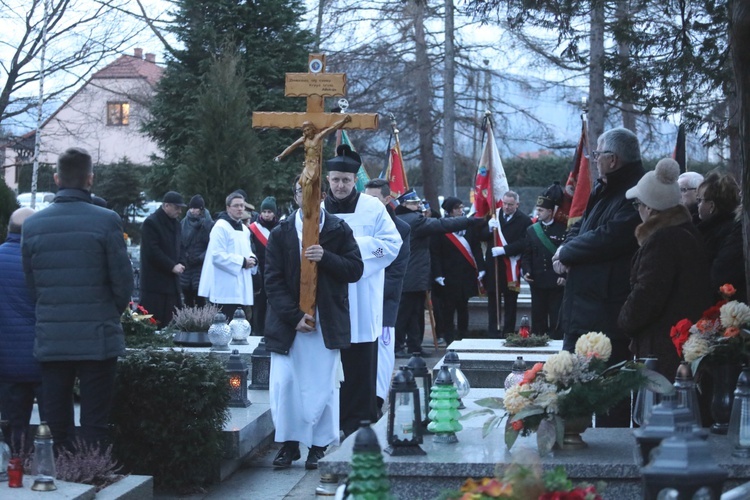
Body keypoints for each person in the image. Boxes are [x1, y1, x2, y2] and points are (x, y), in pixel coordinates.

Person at [21, 147, 133, 450]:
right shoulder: (107, 220)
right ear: (90, 179)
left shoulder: (32, 225)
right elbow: (123, 283)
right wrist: (109, 312)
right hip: (98, 336)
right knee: (95, 421)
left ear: (57, 178)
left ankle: (64, 482)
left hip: (53, 335)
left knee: (57, 421)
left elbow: (33, 286)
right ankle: (93, 477)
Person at [264, 177, 363, 470]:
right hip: (289, 326)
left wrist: (326, 257)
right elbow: (272, 281)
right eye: (300, 192)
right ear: (295, 196)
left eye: (312, 193)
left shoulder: (337, 229)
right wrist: (294, 317)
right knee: (287, 384)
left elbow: (355, 269)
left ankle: (319, 446)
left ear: (321, 195)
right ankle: (289, 444)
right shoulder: (281, 233)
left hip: (325, 323)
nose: (306, 198)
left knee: (323, 386)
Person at [552, 127, 645, 427]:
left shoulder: (635, 192)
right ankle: (569, 445)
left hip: (607, 311)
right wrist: (566, 248)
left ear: (613, 160)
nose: (593, 160)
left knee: (608, 397)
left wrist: (567, 254)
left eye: (598, 155)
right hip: (582, 307)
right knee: (568, 385)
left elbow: (610, 237)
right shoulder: (603, 188)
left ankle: (614, 464)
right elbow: (583, 227)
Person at [322, 144, 402, 437]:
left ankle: (361, 421)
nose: (340, 185)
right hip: (329, 295)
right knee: (330, 364)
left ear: (354, 180)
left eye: (345, 180)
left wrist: (353, 251)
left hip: (363, 292)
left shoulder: (373, 208)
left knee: (360, 360)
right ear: (328, 180)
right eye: (335, 180)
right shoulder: (317, 210)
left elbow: (393, 244)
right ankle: (332, 423)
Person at [619, 159, 712, 381]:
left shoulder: (662, 241)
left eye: (637, 204)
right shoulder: (686, 232)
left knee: (660, 412)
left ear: (649, 207)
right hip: (679, 343)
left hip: (662, 350)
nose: (637, 210)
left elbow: (647, 296)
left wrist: (624, 320)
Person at [395, 190, 479, 357]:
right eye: (413, 203)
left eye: (417, 202)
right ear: (404, 205)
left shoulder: (402, 218)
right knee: (405, 314)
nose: (418, 206)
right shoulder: (414, 220)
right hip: (412, 276)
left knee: (414, 314)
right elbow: (441, 225)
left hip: (413, 276)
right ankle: (398, 347)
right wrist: (468, 221)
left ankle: (414, 346)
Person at [364, 178, 411, 415]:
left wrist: (368, 290)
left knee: (381, 357)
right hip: (358, 303)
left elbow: (395, 273)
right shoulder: (359, 224)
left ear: (387, 199)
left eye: (374, 199)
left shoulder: (401, 229)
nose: (368, 204)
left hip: (383, 304)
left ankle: (377, 401)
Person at [0, 208, 43, 452]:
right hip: (43, 358)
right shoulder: (43, 262)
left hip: (7, 362)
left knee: (12, 427)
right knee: (53, 428)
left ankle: (14, 468)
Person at [431, 197, 485, 345]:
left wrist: (481, 267)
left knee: (463, 306)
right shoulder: (440, 227)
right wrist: (437, 274)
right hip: (448, 276)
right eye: (457, 208)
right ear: (449, 211)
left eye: (461, 207)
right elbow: (435, 253)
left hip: (466, 274)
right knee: (448, 308)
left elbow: (476, 248)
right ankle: (448, 336)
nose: (461, 210)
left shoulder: (468, 226)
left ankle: (463, 335)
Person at [198, 192, 258, 320]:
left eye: (242, 205)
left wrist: (253, 259)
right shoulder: (220, 227)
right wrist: (242, 262)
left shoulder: (245, 229)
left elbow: (247, 251)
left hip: (242, 286)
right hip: (224, 288)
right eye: (236, 205)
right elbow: (216, 255)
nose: (240, 208)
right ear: (228, 208)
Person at [481, 191, 532, 337]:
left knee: (511, 303)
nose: (507, 207)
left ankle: (508, 332)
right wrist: (489, 228)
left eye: (510, 204)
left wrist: (505, 249)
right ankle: (493, 331)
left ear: (517, 204)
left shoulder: (524, 220)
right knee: (493, 302)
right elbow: (481, 236)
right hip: (494, 267)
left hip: (511, 266)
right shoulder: (493, 216)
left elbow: (525, 242)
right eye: (504, 203)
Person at [695, 171, 746, 302]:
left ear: (711, 206)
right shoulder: (728, 227)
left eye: (700, 200)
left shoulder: (718, 233)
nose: (697, 205)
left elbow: (718, 274)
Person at [521, 193, 566, 338]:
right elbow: (527, 255)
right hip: (537, 281)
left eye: (541, 210)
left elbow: (567, 256)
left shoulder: (563, 230)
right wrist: (526, 271)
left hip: (556, 282)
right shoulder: (532, 230)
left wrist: (564, 275)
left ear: (550, 212)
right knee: (538, 319)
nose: (538, 213)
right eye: (537, 209)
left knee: (556, 319)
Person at [140, 191, 186, 325]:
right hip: (155, 285)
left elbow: (181, 246)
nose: (180, 211)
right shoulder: (151, 223)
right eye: (177, 207)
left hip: (172, 284)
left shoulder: (176, 224)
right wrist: (172, 266)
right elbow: (152, 251)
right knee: (153, 324)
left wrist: (182, 262)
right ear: (166, 206)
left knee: (172, 323)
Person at [248, 196, 280, 335]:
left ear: (274, 212)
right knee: (259, 306)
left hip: (275, 271)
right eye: (264, 211)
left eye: (270, 211)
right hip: (259, 272)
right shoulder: (253, 229)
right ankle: (258, 331)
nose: (267, 214)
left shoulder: (280, 227)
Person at [180, 195, 213, 308]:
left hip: (200, 266)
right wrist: (184, 257)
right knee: (187, 298)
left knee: (200, 298)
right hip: (187, 265)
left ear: (201, 209)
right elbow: (180, 243)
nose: (193, 210)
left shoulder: (208, 224)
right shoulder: (183, 223)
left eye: (196, 208)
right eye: (191, 208)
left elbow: (212, 246)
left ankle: (201, 324)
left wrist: (200, 258)